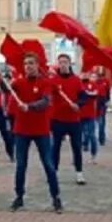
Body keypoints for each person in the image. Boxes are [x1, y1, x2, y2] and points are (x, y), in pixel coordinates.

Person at [4, 53, 62, 213]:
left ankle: (56, 197)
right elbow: (5, 88)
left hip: (41, 130)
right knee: (21, 165)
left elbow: (45, 101)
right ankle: (19, 196)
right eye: (25, 64)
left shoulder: (45, 83)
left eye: (31, 63)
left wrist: (29, 107)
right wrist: (2, 78)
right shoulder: (19, 82)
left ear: (37, 65)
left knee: (49, 165)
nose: (28, 66)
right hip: (21, 130)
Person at [49, 54, 86, 185]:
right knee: (55, 147)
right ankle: (54, 173)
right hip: (57, 119)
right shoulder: (53, 80)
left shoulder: (76, 80)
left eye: (65, 62)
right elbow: (46, 94)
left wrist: (79, 104)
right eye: (61, 62)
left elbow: (83, 96)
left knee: (76, 147)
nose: (63, 64)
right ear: (58, 64)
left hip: (73, 120)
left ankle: (79, 173)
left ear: (70, 64)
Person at [79, 72, 100, 164]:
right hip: (79, 114)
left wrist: (86, 92)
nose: (84, 75)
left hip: (90, 115)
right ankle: (77, 156)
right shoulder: (78, 84)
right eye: (82, 74)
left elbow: (95, 94)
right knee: (77, 136)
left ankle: (93, 156)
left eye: (86, 74)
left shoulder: (93, 84)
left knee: (92, 135)